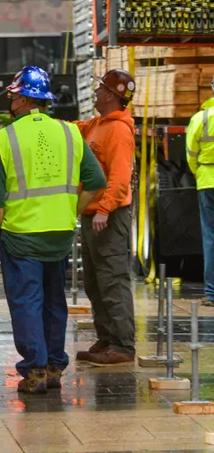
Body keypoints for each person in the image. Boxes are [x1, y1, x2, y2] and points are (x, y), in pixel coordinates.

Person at [0, 66, 106, 396]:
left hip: (21, 235)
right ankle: (54, 367)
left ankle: (35, 370)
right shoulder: (70, 133)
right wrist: (72, 210)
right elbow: (97, 182)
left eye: (12, 95)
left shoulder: (4, 139)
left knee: (26, 301)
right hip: (60, 233)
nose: (10, 101)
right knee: (54, 299)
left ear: (23, 99)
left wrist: (1, 230)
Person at [76, 69, 138, 366]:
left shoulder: (119, 131)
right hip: (93, 214)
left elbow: (120, 177)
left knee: (112, 280)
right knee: (95, 281)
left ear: (112, 95)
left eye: (100, 88)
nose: (96, 92)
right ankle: (107, 338)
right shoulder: (99, 123)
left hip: (108, 217)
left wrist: (104, 209)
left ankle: (123, 346)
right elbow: (73, 128)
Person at [186, 76, 214, 308]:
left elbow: (190, 154)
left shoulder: (201, 118)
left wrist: (199, 172)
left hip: (207, 181)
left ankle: (213, 294)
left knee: (210, 238)